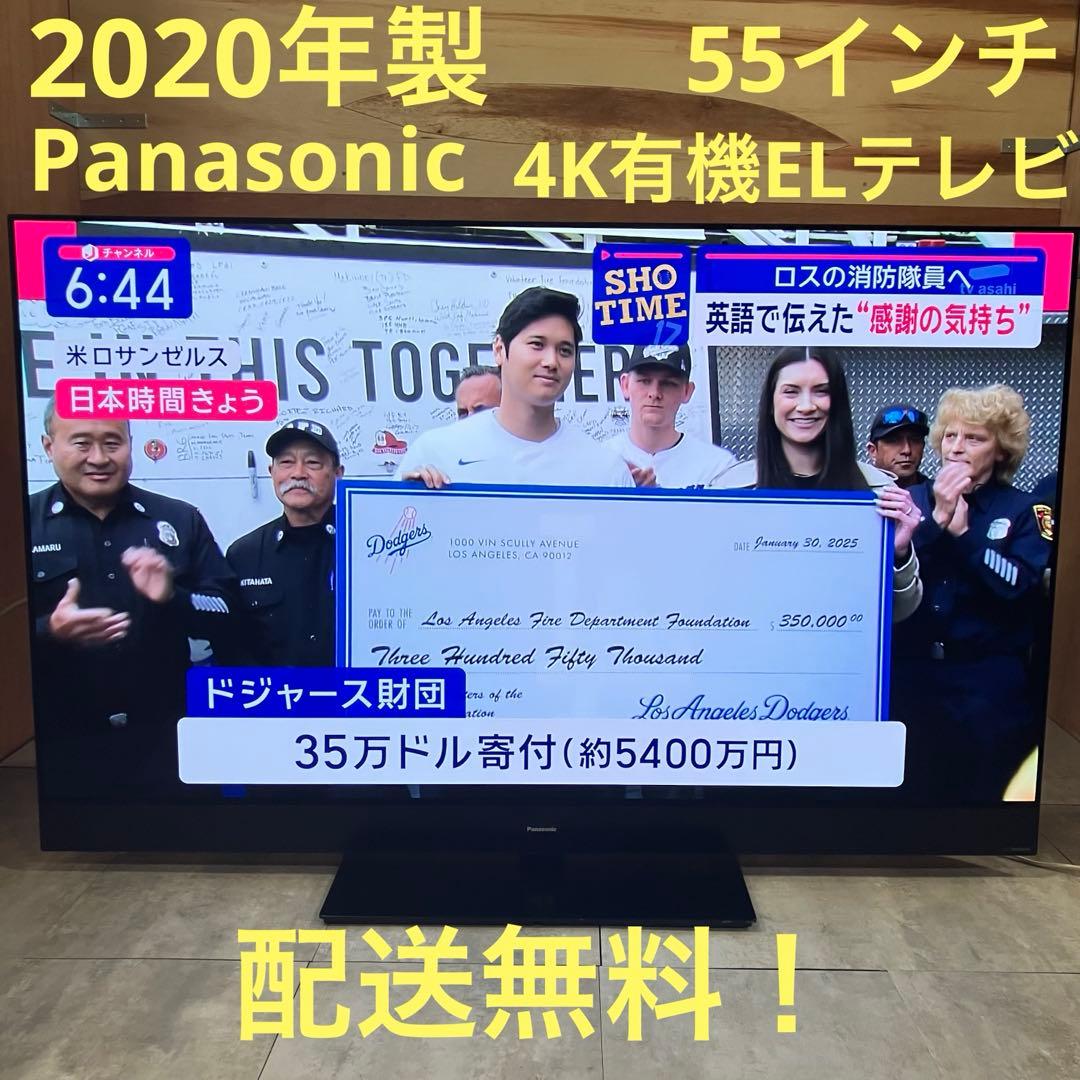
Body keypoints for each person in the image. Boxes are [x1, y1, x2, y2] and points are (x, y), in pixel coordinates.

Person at [29, 401, 237, 795]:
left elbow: (230, 614)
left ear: (130, 443)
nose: (99, 458)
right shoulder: (20, 523)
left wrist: (172, 597)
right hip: (59, 746)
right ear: (48, 446)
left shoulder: (178, 519)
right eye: (81, 443)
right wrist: (48, 630)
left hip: (166, 742)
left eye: (112, 443)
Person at [898, 385, 1053, 803]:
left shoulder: (1025, 511)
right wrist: (935, 521)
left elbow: (1019, 586)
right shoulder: (910, 500)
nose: (957, 447)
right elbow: (887, 574)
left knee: (982, 802)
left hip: (987, 686)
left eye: (974, 438)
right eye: (950, 435)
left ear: (1000, 450)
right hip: (914, 678)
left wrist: (965, 535)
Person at [717, 346, 922, 622]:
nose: (806, 405)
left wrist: (898, 554)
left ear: (837, 402)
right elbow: (713, 591)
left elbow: (899, 612)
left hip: (844, 646)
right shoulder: (728, 490)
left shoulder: (879, 492)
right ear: (771, 403)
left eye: (821, 391)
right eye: (791, 391)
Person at [397, 287, 634, 489]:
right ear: (499, 349)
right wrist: (410, 500)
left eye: (564, 350)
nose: (551, 362)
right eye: (537, 344)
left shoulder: (606, 470)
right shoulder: (436, 453)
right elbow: (395, 525)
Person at [223, 419, 344, 666]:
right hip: (278, 690)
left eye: (313, 462)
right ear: (272, 472)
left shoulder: (370, 543)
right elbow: (233, 647)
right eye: (286, 462)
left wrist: (420, 495)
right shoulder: (244, 554)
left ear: (337, 473)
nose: (298, 473)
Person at [604, 343, 736, 487]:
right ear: (625, 385)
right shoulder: (601, 460)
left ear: (687, 391)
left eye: (668, 383)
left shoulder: (718, 468)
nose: (654, 393)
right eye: (645, 381)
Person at [866, 404, 931, 489]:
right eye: (894, 441)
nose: (907, 450)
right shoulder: (856, 493)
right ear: (873, 451)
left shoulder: (940, 494)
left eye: (915, 440)